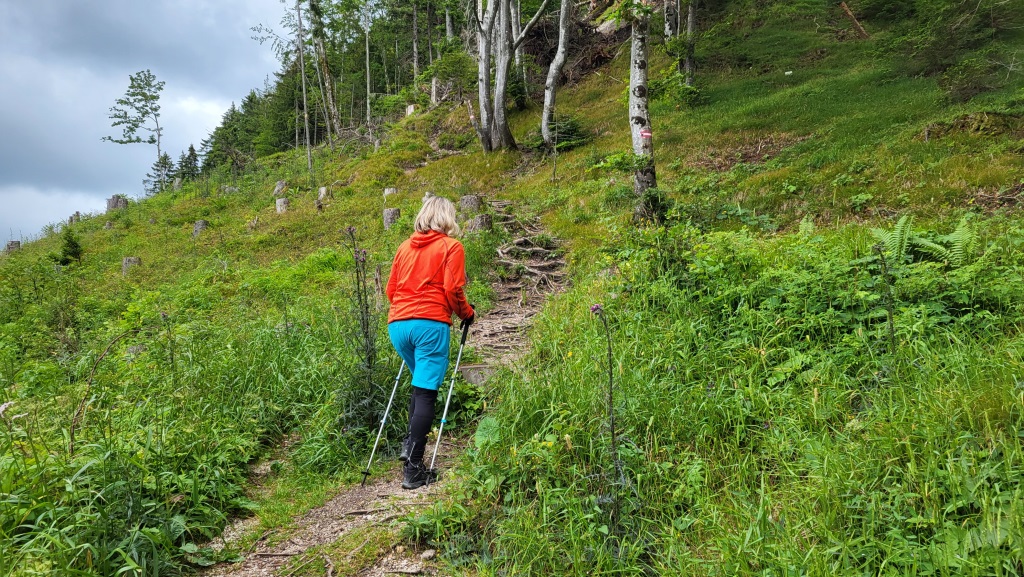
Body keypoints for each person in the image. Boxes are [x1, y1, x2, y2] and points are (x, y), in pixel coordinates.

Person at [386, 195, 475, 489]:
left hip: (398, 325)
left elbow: (391, 290)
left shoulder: (404, 247)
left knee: (419, 384)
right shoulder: (451, 246)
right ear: (446, 217)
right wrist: (466, 313)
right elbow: (452, 288)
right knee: (426, 392)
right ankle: (413, 470)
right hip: (430, 324)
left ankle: (409, 443)